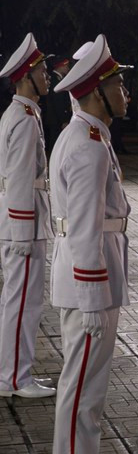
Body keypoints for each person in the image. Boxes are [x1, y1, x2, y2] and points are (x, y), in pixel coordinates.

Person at [49, 33, 132, 454]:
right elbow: (83, 231)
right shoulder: (88, 145)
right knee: (81, 399)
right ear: (97, 91)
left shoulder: (86, 136)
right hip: (88, 292)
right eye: (117, 84)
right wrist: (94, 298)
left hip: (86, 285)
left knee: (85, 398)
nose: (126, 92)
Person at [0, 33, 56, 399]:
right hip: (23, 226)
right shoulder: (24, 119)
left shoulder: (22, 114)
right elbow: (20, 177)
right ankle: (14, 379)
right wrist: (22, 233)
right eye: (43, 71)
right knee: (22, 304)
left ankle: (15, 374)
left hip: (24, 223)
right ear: (25, 77)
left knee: (20, 302)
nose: (47, 76)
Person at [45, 55, 73, 154]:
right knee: (56, 145)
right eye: (66, 66)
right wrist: (64, 120)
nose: (68, 68)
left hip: (56, 119)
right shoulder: (55, 80)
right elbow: (58, 103)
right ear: (61, 66)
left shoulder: (57, 79)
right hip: (57, 120)